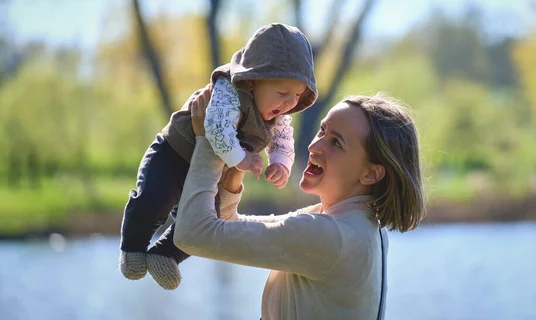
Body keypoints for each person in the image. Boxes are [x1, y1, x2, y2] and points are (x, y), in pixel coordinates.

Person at [173, 88, 426, 319]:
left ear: (371, 174)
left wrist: (207, 140)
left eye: (336, 143)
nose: (315, 146)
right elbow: (226, 226)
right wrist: (237, 161)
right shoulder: (362, 226)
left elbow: (193, 234)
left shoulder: (330, 236)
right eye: (322, 131)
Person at [119, 23, 318, 290]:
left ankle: (165, 255)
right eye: (282, 93)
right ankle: (132, 247)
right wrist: (242, 159)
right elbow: (216, 127)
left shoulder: (278, 113)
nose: (288, 104)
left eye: (296, 96)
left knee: (207, 219)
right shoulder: (229, 90)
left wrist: (281, 162)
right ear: (252, 79)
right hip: (174, 153)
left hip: (209, 173)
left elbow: (283, 138)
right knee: (154, 198)